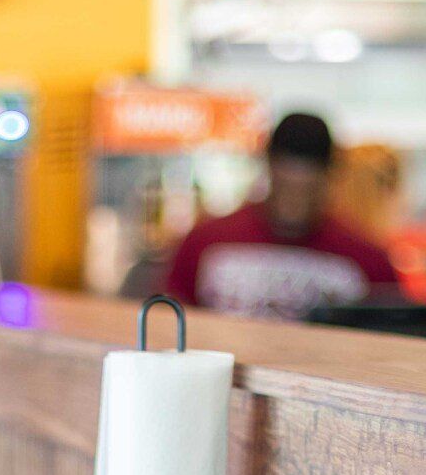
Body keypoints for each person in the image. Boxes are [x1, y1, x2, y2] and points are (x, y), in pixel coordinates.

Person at [164, 109, 403, 322]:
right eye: (286, 188)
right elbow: (169, 325)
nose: (295, 204)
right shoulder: (206, 244)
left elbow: (394, 342)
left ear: (331, 177)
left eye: (308, 191)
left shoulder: (367, 261)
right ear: (268, 168)